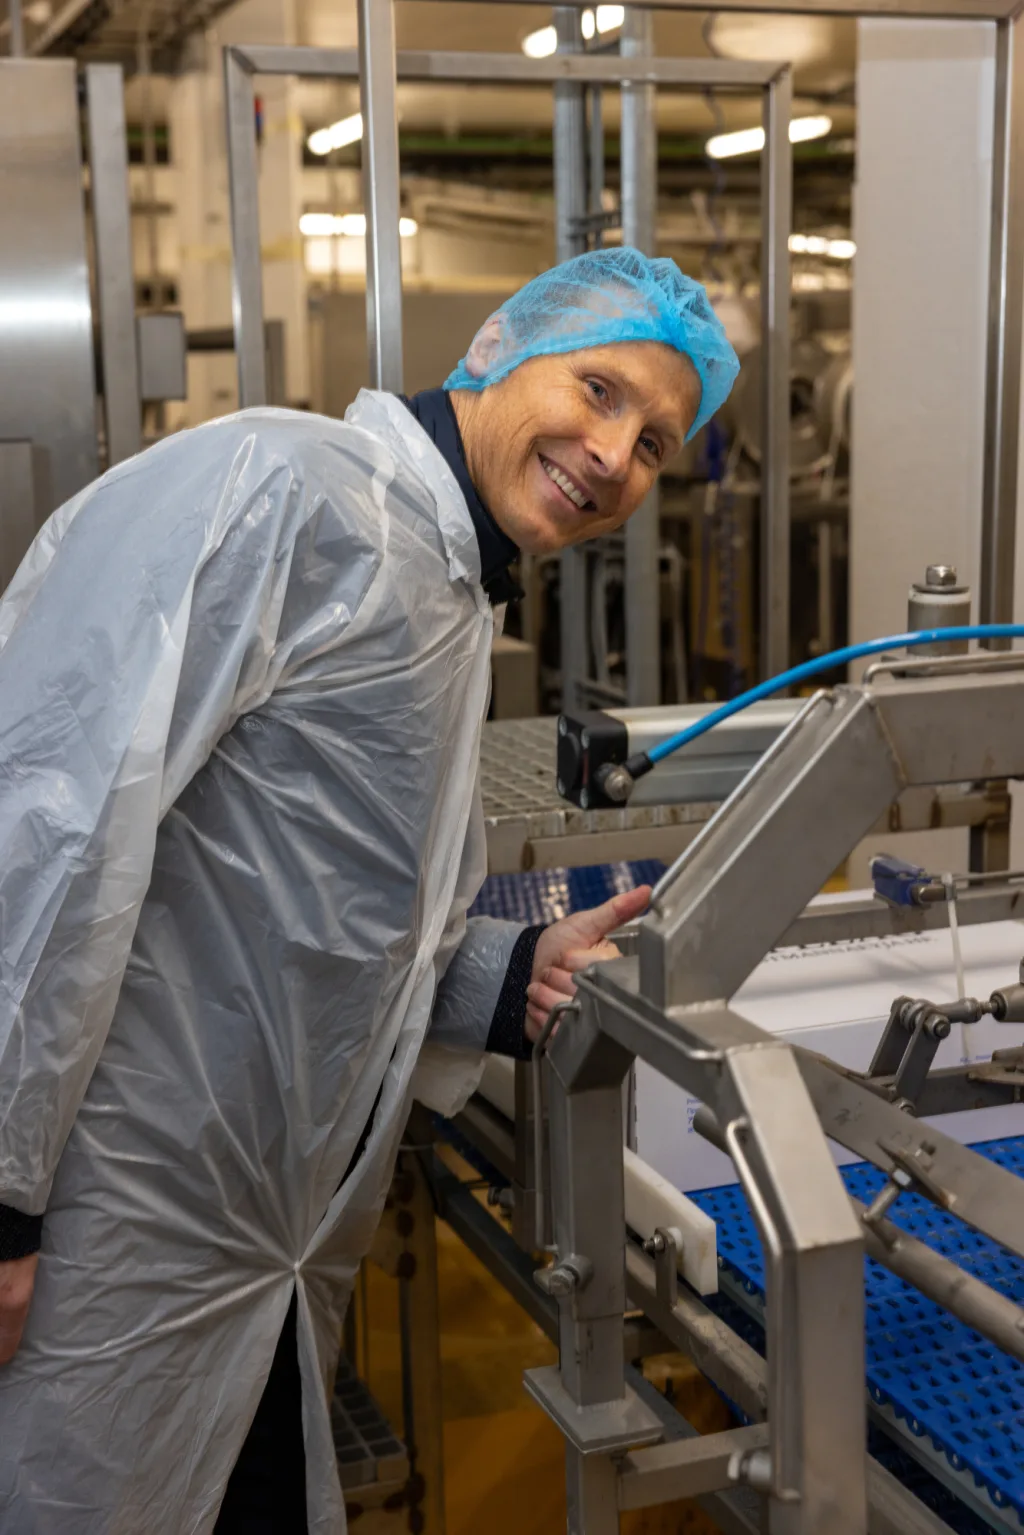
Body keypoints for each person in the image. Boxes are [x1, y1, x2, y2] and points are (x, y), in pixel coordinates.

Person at [0, 247, 738, 1532]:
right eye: (599, 389)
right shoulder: (280, 492)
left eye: (655, 443)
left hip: (257, 1251)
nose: (614, 454)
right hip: (97, 1227)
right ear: (498, 346)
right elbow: (48, 829)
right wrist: (1, 1195)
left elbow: (324, 921)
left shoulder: (449, 588)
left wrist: (510, 973)